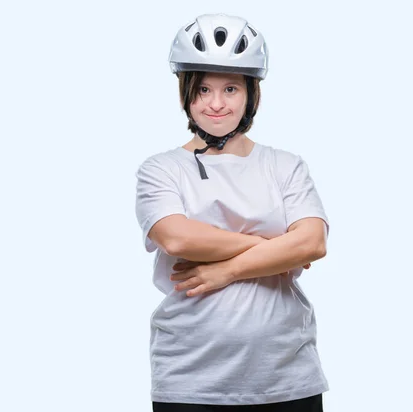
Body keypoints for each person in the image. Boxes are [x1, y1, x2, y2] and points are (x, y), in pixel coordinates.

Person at [134, 13, 330, 412]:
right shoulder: (161, 169)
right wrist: (274, 247)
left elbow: (312, 242)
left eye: (231, 88)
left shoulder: (285, 165)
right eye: (203, 89)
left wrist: (226, 269)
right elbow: (178, 237)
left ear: (251, 95)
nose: (217, 103)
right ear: (186, 94)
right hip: (191, 381)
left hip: (287, 377)